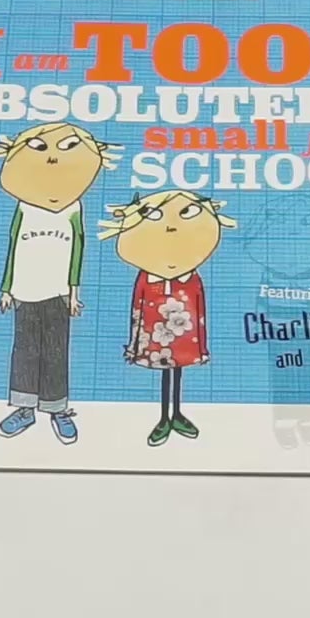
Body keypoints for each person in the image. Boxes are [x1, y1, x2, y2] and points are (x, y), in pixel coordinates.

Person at [0, 121, 121, 444]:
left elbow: (77, 250)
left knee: (56, 352)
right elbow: (13, 246)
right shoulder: (23, 207)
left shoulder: (73, 208)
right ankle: (24, 408)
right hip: (24, 291)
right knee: (25, 350)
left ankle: (57, 409)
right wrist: (6, 289)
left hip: (58, 292)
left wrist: (74, 293)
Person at [99, 190, 237, 446]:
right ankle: (165, 417)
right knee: (165, 376)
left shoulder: (191, 278)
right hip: (155, 339)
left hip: (184, 339)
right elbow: (137, 310)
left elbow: (200, 312)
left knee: (177, 374)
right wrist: (134, 345)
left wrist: (201, 348)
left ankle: (177, 415)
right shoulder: (146, 277)